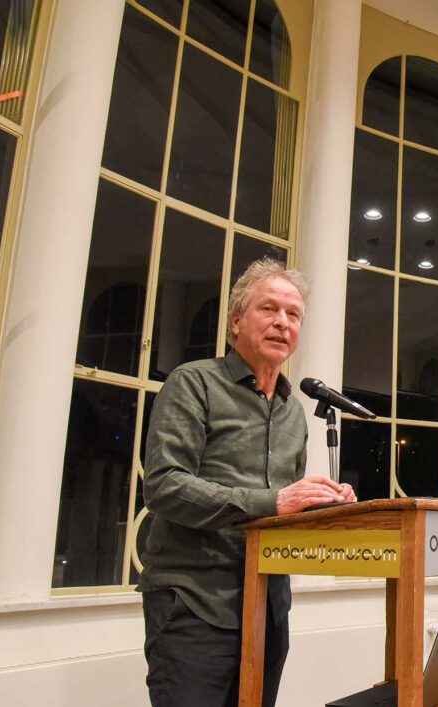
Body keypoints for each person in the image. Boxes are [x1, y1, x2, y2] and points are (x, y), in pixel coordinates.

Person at [139, 258, 357, 707]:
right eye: (269, 310)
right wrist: (274, 501)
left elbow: (282, 511)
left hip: (269, 610)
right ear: (236, 321)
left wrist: (324, 504)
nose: (282, 323)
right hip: (194, 605)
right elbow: (164, 486)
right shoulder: (193, 384)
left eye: (293, 314)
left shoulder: (294, 410)